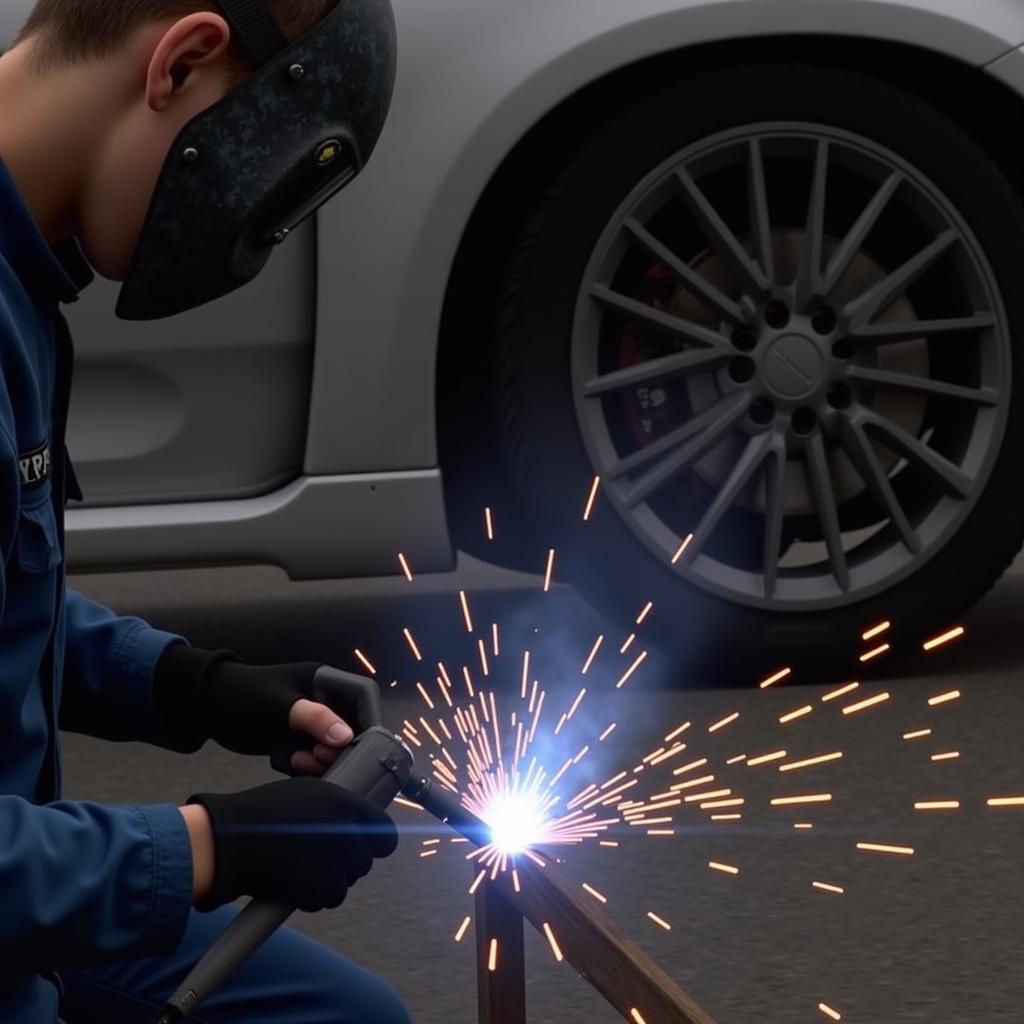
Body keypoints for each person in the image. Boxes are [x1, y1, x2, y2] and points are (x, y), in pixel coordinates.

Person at [0, 2, 410, 1021]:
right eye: (264, 192)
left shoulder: (20, 277)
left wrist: (195, 686)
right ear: (181, 61)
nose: (247, 239)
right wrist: (205, 844)